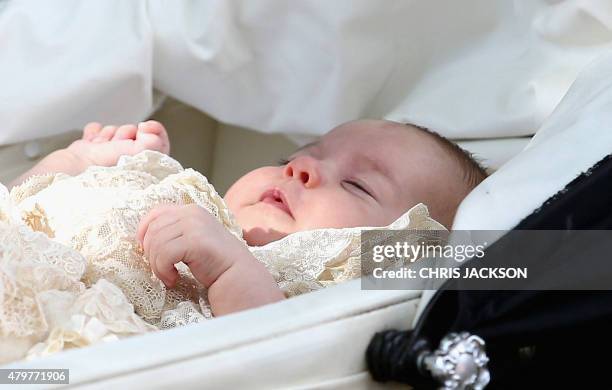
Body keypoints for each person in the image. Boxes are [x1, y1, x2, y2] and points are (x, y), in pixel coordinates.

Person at [8, 119, 487, 316]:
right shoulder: (185, 196)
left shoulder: (306, 284)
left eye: (358, 185)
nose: (302, 168)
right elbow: (19, 212)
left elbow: (268, 354)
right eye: (292, 156)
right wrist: (77, 164)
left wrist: (230, 270)